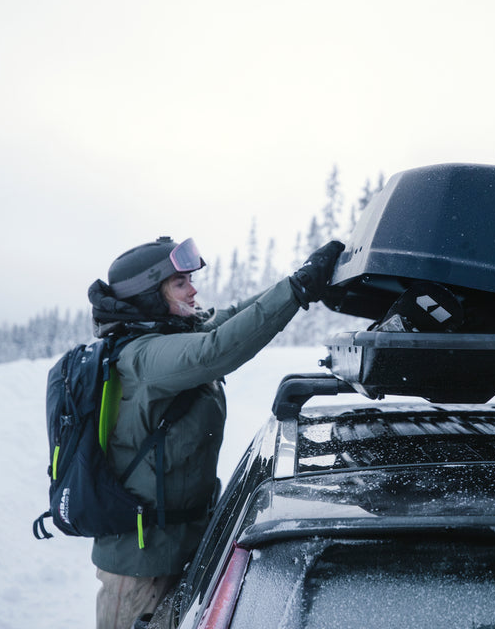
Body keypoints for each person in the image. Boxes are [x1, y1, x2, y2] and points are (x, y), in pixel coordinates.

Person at [86, 235, 344, 629]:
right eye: (180, 283)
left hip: (181, 548)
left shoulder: (172, 334)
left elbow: (231, 317)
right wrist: (296, 292)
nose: (193, 288)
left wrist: (300, 280)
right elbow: (215, 349)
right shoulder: (142, 356)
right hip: (139, 571)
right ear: (150, 296)